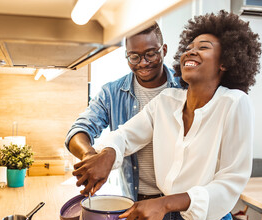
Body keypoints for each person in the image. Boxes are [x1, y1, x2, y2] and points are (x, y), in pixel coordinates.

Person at [72, 10, 262, 220]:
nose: (191, 50)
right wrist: (107, 154)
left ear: (224, 62)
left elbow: (230, 182)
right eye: (190, 46)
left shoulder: (234, 103)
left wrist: (164, 204)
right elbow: (125, 135)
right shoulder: (166, 101)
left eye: (203, 47)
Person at [65, 22, 181, 201]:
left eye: (150, 54)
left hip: (178, 202)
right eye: (134, 57)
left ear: (164, 50)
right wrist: (90, 156)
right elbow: (79, 130)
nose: (143, 63)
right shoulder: (111, 93)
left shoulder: (185, 88)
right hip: (136, 201)